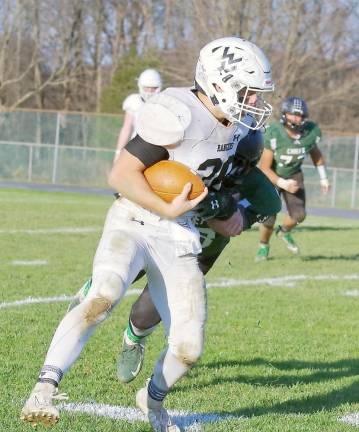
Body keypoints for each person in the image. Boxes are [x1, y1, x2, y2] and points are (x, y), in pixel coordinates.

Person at [21, 36, 274, 432]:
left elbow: (235, 186)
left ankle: (153, 400)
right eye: (249, 93)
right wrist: (166, 207)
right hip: (136, 218)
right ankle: (44, 388)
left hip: (180, 233)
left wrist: (230, 212)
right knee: (105, 292)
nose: (255, 103)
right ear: (220, 83)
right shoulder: (178, 111)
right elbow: (121, 175)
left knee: (189, 349)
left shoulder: (239, 130)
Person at [255, 97, 330, 262]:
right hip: (273, 175)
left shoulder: (310, 133)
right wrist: (283, 184)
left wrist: (324, 178)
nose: (297, 118)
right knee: (268, 217)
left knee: (299, 215)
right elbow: (265, 167)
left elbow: (316, 155)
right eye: (293, 115)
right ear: (284, 114)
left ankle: (284, 231)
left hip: (294, 174)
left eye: (300, 115)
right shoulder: (275, 132)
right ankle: (263, 245)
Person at [114, 68, 162, 161]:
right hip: (136, 149)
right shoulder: (133, 102)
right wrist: (118, 152)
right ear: (140, 86)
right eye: (146, 88)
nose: (149, 91)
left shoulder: (164, 103)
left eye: (153, 88)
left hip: (158, 149)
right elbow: (126, 128)